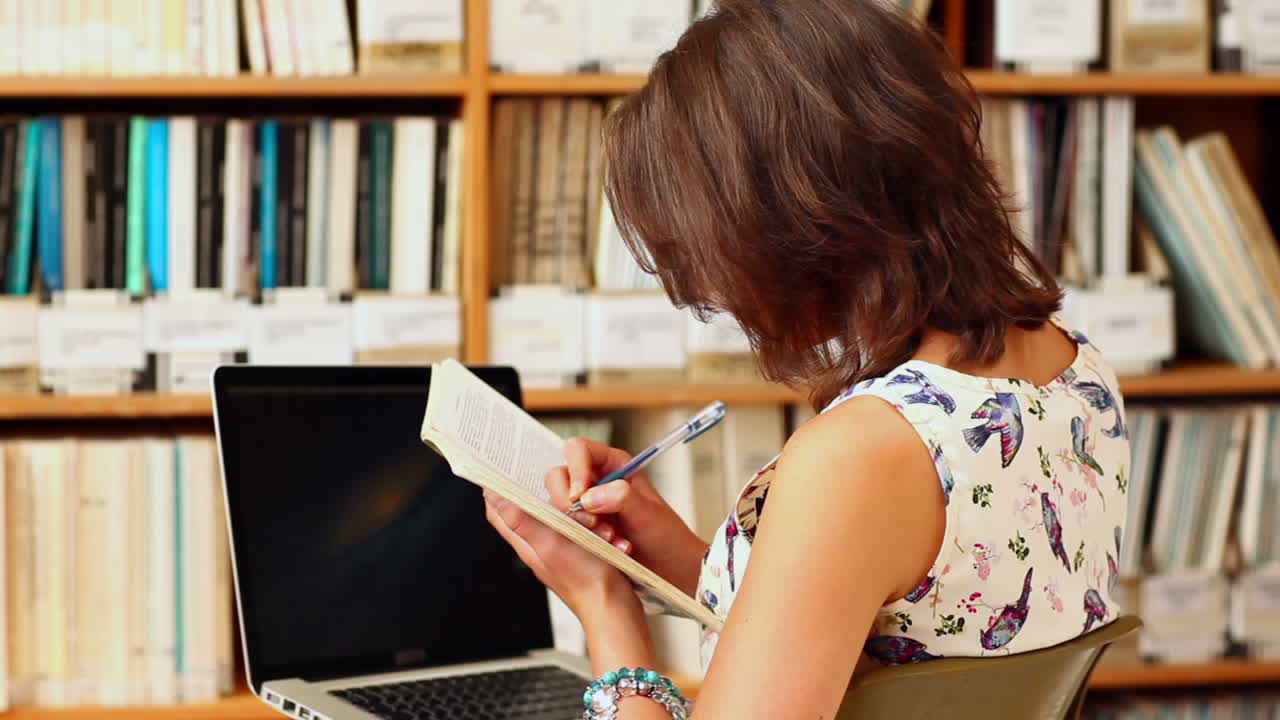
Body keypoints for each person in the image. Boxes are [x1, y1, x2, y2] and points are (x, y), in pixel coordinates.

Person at [481, 0, 1131, 717]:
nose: (716, 292)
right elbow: (911, 628)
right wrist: (675, 556)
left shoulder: (865, 453)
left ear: (794, 223)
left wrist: (603, 608)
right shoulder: (1079, 374)